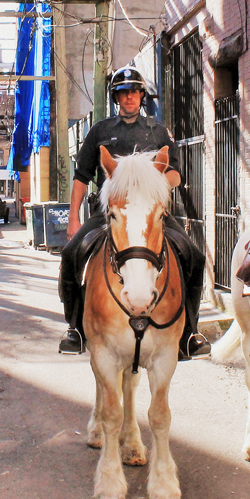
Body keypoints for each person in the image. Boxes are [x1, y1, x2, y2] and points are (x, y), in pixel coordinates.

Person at [57, 65, 210, 361]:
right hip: (110, 213)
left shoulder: (158, 130)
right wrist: (74, 218)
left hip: (151, 214)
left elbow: (176, 173)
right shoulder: (100, 131)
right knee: (70, 254)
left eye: (135, 92)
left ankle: (190, 332)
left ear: (142, 96)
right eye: (124, 93)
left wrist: (151, 186)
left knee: (195, 256)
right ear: (116, 97)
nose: (130, 98)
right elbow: (81, 176)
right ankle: (74, 328)